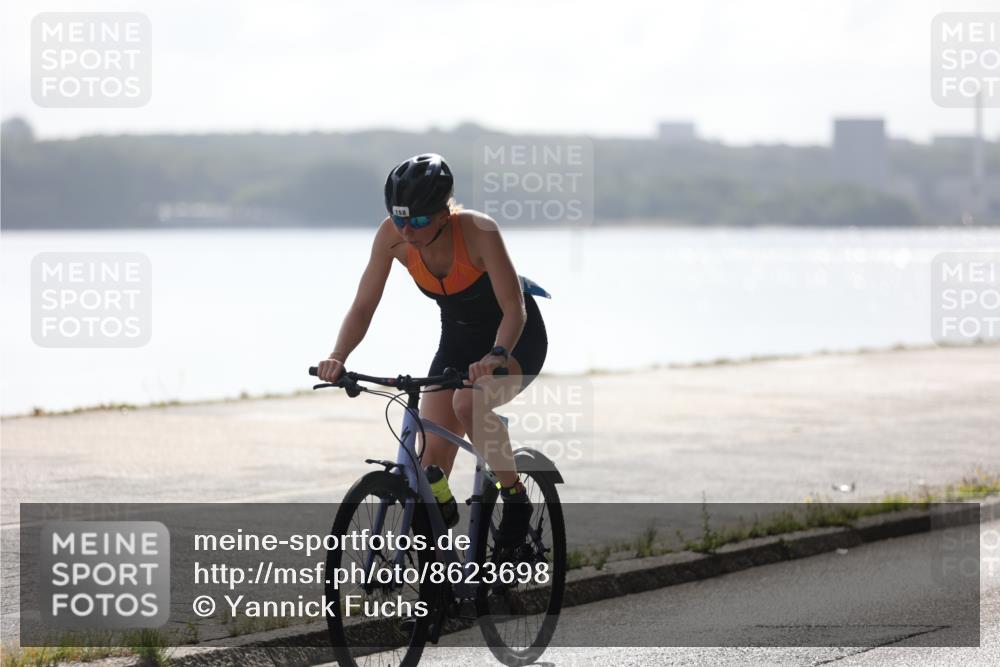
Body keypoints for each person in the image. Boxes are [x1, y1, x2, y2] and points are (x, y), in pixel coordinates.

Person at [316, 153, 549, 550]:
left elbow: (516, 309)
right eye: (399, 218)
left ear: (444, 212)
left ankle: (515, 500)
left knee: (467, 404)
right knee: (428, 476)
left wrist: (496, 354)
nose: (407, 230)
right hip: (457, 343)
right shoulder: (391, 235)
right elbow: (363, 306)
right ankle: (437, 599)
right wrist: (339, 356)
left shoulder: (478, 231)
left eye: (419, 220)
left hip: (512, 339)